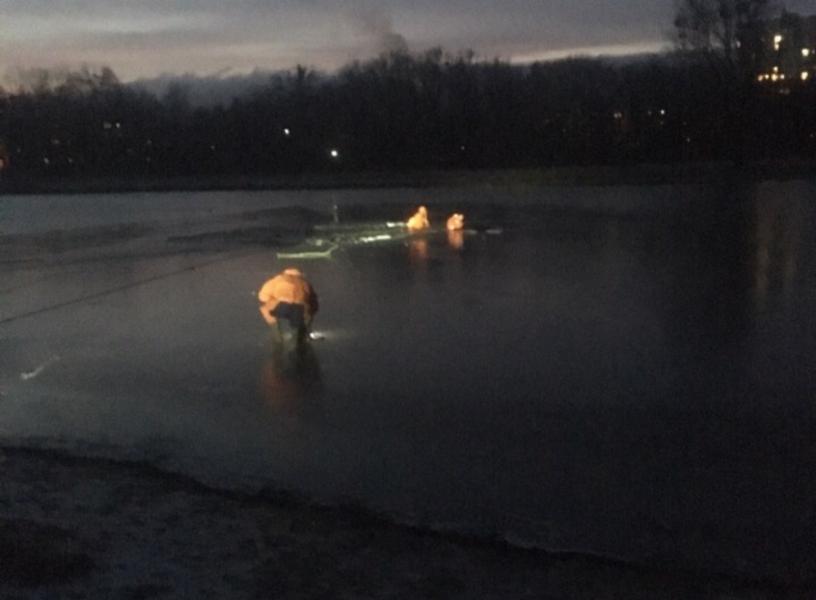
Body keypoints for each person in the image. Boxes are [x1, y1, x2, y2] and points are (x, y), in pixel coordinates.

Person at [258, 268, 319, 343]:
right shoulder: (304, 283)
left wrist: (273, 299)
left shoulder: (276, 281)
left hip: (281, 307)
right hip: (299, 308)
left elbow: (263, 297)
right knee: (307, 314)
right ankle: (301, 336)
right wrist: (310, 312)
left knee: (265, 309)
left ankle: (277, 337)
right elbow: (313, 301)